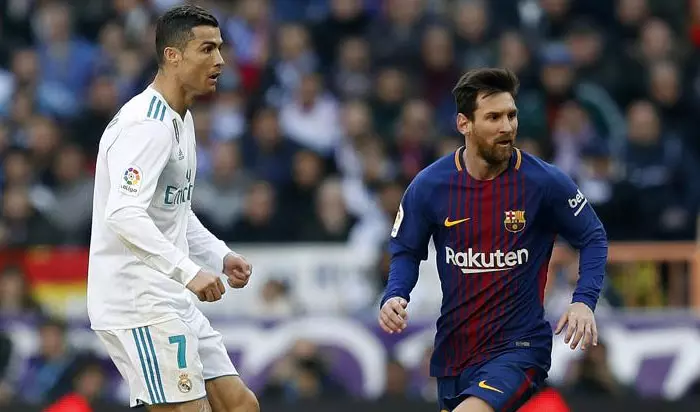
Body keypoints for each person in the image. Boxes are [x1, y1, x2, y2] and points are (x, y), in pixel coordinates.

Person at [378, 68, 607, 412]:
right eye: (493, 117)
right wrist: (396, 293)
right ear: (464, 124)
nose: (507, 127)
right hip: (455, 352)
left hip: (518, 349)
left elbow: (593, 236)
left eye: (511, 115)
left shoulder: (544, 182)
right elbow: (406, 251)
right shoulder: (429, 186)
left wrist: (584, 300)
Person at [87, 5, 259, 412]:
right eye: (207, 49)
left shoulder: (180, 118)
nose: (220, 60)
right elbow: (124, 213)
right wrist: (189, 271)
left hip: (168, 296)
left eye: (220, 48)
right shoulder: (147, 126)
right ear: (173, 56)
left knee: (240, 405)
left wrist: (219, 255)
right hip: (137, 300)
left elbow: (173, 208)